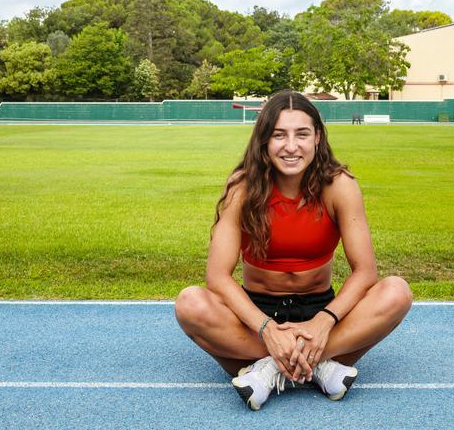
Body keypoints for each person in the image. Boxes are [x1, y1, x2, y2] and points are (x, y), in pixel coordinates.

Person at [175, 90, 413, 411]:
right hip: (256, 316)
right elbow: (217, 277)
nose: (290, 146)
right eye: (279, 135)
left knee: (396, 292)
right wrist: (266, 329)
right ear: (264, 141)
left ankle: (271, 368)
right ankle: (316, 366)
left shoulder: (339, 185)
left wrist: (323, 322)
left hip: (320, 312)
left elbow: (365, 272)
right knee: (190, 303)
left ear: (317, 137)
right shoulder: (242, 187)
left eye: (301, 134)